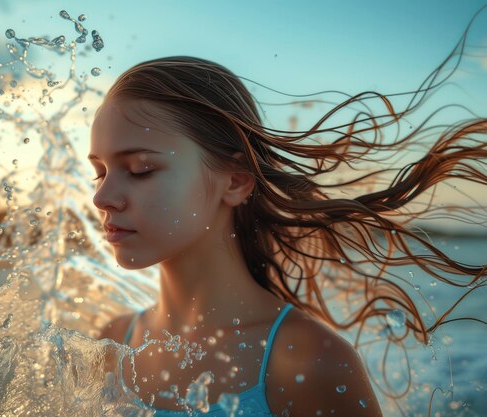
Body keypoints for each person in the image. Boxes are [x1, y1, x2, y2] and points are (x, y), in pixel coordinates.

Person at [92, 54, 485, 416]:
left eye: (141, 169)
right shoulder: (110, 343)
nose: (102, 197)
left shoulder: (309, 360)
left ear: (236, 181)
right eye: (100, 171)